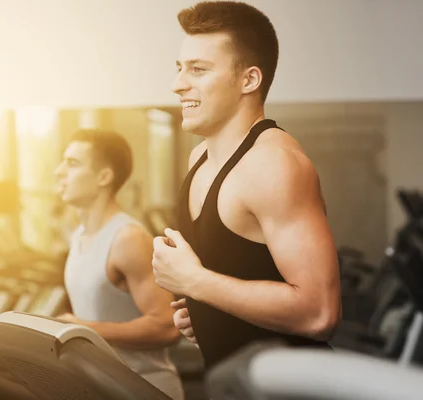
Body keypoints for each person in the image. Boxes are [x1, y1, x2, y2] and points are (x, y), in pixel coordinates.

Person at [151, 1, 342, 372]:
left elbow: (320, 314)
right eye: (179, 68)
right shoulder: (200, 158)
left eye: (198, 70)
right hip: (232, 383)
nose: (178, 84)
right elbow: (238, 277)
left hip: (292, 390)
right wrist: (207, 311)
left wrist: (196, 282)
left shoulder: (274, 165)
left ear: (249, 80)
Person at [54, 129, 185, 399]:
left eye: (72, 164)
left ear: (104, 176)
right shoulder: (79, 235)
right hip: (100, 387)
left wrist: (83, 330)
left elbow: (167, 326)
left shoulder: (128, 238)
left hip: (144, 387)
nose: (59, 172)